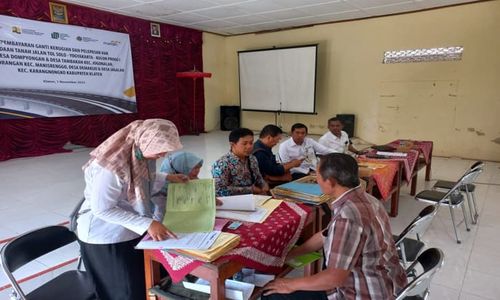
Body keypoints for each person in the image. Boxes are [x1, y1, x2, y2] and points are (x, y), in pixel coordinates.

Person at [262, 153, 406, 300]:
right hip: (386, 281)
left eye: (317, 177)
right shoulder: (365, 199)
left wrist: (290, 284)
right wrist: (291, 254)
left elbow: (333, 278)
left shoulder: (347, 217)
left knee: (270, 295)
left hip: (363, 293)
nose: (316, 181)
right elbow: (326, 234)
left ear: (330, 182)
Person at [76, 119, 182, 300]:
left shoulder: (140, 153)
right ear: (146, 141)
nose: (163, 154)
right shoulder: (110, 166)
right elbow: (102, 210)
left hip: (131, 228)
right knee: (124, 291)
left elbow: (141, 179)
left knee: (140, 284)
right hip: (105, 236)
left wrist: (168, 177)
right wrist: (148, 223)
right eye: (161, 148)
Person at [212, 127, 269, 196]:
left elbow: (258, 177)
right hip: (234, 201)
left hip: (255, 196)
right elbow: (219, 190)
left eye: (251, 143)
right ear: (232, 144)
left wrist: (263, 185)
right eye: (244, 144)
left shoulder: (252, 158)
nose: (249, 147)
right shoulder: (222, 164)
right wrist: (250, 190)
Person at [152, 151, 203, 221]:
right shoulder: (160, 191)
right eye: (194, 168)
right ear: (180, 168)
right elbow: (160, 220)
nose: (198, 171)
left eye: (199, 167)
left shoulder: (190, 179)